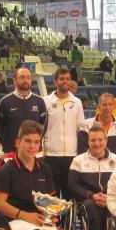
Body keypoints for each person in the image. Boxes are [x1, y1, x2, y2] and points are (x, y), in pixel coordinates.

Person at [69, 125, 116, 230]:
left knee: (115, 207)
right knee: (92, 206)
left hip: (112, 198)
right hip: (88, 198)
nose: (97, 143)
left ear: (106, 141)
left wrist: (110, 197)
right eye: (93, 140)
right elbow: (72, 185)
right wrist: (92, 195)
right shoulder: (78, 161)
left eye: (100, 140)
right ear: (88, 142)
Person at [43, 68, 83, 198]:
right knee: (52, 195)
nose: (65, 81)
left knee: (69, 195)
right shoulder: (46, 101)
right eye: (62, 79)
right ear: (55, 82)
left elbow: (81, 128)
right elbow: (41, 128)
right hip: (51, 155)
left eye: (67, 79)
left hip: (71, 156)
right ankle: (54, 219)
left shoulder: (77, 102)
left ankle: (67, 219)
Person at [0, 66, 47, 153]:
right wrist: (8, 146)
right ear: (14, 80)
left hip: (34, 152)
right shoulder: (4, 102)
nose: (26, 80)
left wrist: (34, 143)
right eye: (22, 77)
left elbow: (44, 126)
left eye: (28, 77)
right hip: (12, 152)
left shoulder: (40, 101)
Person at [78, 93, 116, 159]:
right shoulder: (87, 124)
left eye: (110, 104)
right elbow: (82, 150)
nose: (107, 108)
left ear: (114, 106)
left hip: (114, 165)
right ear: (98, 107)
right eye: (104, 105)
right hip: (91, 165)